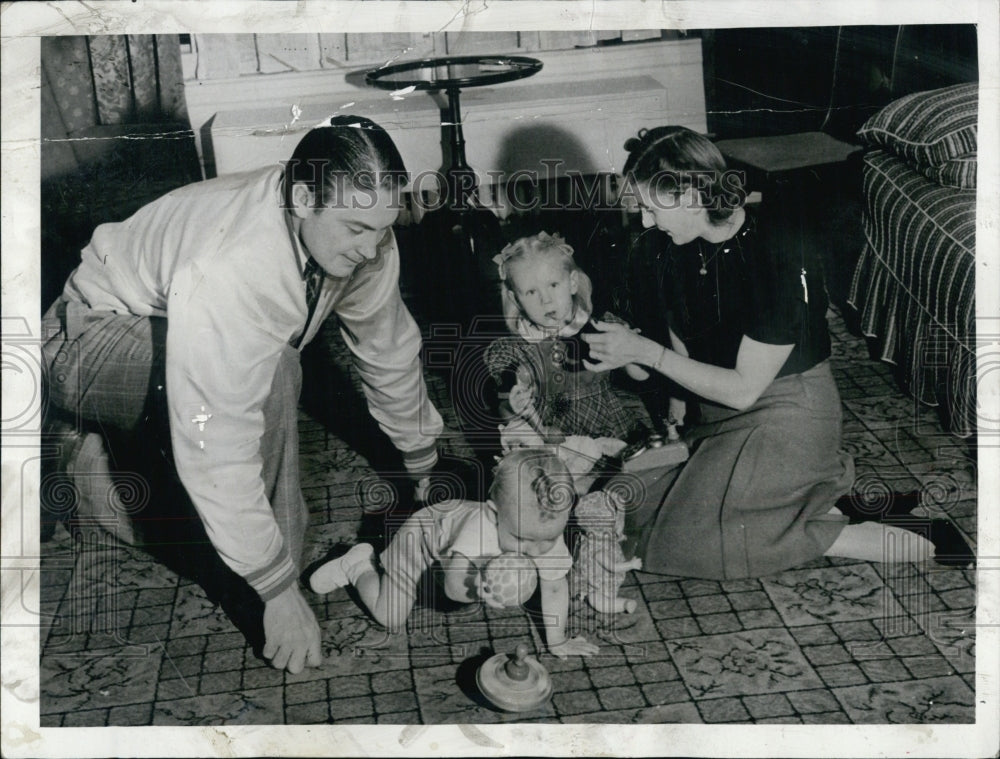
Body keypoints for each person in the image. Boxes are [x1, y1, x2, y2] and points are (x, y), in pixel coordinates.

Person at [40, 116, 445, 673]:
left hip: (176, 328)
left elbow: (388, 348)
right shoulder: (233, 262)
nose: (372, 249)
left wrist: (422, 458)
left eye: (383, 228)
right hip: (82, 343)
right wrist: (276, 592)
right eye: (356, 229)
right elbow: (219, 436)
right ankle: (81, 466)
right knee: (272, 372)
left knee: (264, 373)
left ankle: (106, 463)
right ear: (304, 199)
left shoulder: (363, 232)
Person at [580, 125, 973, 578]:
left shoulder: (779, 252)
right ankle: (811, 504)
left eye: (652, 208)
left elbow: (745, 391)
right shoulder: (668, 249)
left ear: (690, 196)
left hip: (788, 414)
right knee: (632, 503)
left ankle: (895, 534)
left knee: (686, 538)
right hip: (715, 413)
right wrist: (670, 406)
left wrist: (647, 353)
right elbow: (679, 343)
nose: (647, 222)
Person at [309, 448, 599, 658]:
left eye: (546, 539)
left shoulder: (543, 530)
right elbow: (453, 587)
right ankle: (358, 564)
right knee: (390, 616)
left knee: (436, 580)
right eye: (522, 539)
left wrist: (557, 641)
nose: (535, 550)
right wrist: (478, 589)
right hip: (418, 543)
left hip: (446, 545)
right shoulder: (479, 531)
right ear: (494, 514)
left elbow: (555, 587)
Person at [483, 231, 645, 446]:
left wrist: (632, 352)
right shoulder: (515, 349)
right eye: (531, 292)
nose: (546, 301)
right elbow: (504, 407)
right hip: (555, 439)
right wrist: (514, 406)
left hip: (611, 431)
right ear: (516, 299)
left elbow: (640, 375)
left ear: (573, 283)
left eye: (553, 285)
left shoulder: (599, 326)